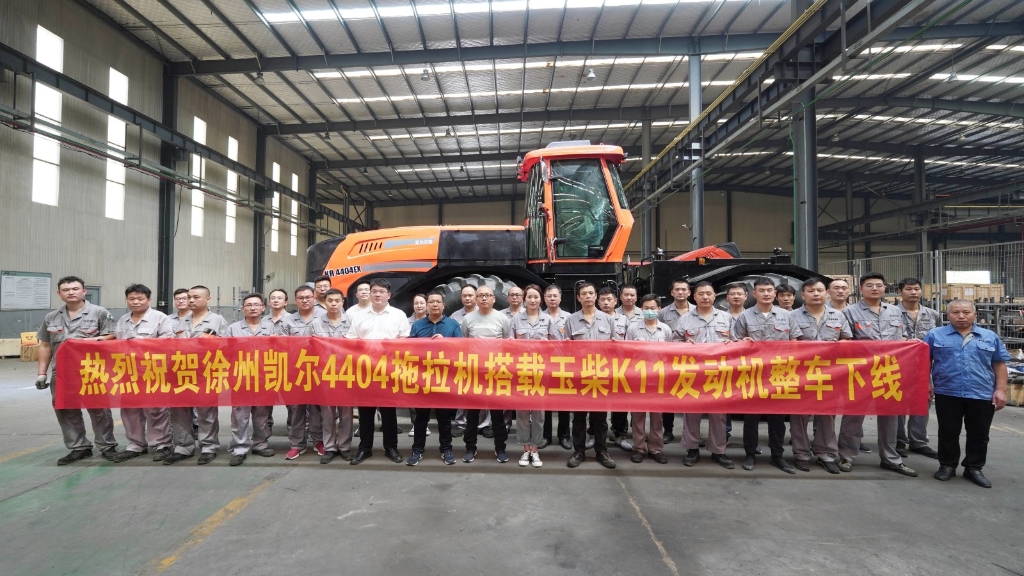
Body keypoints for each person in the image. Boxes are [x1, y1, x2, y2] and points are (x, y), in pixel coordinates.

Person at [925, 300, 1010, 488]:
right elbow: (924, 361)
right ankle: (947, 465)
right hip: (947, 391)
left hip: (981, 392)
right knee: (948, 431)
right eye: (956, 312)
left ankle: (974, 467)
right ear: (948, 315)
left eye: (966, 312)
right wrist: (926, 383)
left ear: (975, 314)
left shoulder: (989, 336)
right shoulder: (935, 335)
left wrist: (1000, 390)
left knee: (979, 433)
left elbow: (999, 363)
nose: (961, 316)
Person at [35, 276, 119, 465]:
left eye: (75, 289)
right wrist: (41, 373)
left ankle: (107, 446)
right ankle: (78, 447)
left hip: (93, 371)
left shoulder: (99, 313)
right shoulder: (51, 317)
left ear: (84, 291)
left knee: (99, 410)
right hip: (62, 373)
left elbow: (112, 337)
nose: (71, 292)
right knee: (65, 409)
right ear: (59, 293)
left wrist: (86, 341)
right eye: (66, 290)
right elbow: (45, 346)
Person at [841, 273, 917, 477]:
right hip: (861, 372)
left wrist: (912, 344)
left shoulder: (894, 311)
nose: (874, 288)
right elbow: (845, 341)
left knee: (890, 416)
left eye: (878, 285)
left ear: (885, 288)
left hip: (889, 370)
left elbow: (903, 336)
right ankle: (847, 455)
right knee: (854, 415)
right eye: (869, 285)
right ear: (860, 289)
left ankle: (891, 458)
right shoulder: (849, 312)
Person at [732, 277, 801, 474]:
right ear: (754, 294)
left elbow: (795, 342)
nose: (766, 294)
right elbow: (736, 343)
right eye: (761, 290)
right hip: (753, 374)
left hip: (780, 374)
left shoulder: (787, 316)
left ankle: (777, 455)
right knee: (751, 418)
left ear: (775, 293)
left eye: (769, 290)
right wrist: (742, 343)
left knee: (777, 418)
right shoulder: (744, 316)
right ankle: (750, 453)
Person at [790, 278, 852, 474]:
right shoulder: (792, 316)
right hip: (801, 373)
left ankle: (826, 454)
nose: (815, 294)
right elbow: (788, 343)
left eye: (819, 290)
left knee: (827, 415)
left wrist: (834, 349)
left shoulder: (838, 316)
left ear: (826, 293)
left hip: (830, 373)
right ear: (803, 295)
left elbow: (847, 340)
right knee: (799, 416)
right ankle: (801, 454)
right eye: (811, 291)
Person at [555, 283, 619, 469]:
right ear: (579, 298)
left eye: (591, 293)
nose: (588, 296)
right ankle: (579, 451)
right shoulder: (571, 320)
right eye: (584, 294)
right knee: (579, 417)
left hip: (601, 376)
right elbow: (566, 349)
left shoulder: (608, 320)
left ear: (596, 296)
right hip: (580, 376)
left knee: (600, 418)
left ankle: (601, 451)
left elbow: (615, 348)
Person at [347, 278, 410, 465]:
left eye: (381, 292)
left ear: (388, 295)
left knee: (389, 412)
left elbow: (405, 340)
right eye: (374, 291)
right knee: (365, 412)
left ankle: (391, 447)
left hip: (388, 371)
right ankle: (364, 448)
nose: (377, 294)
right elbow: (351, 340)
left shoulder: (398, 315)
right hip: (365, 371)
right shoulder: (359, 316)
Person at [672, 281, 735, 469]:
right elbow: (674, 343)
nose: (705, 297)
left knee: (719, 415)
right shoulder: (685, 319)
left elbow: (736, 341)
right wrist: (684, 345)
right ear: (694, 296)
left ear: (715, 296)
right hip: (693, 374)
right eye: (701, 294)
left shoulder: (726, 318)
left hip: (719, 373)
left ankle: (719, 451)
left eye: (709, 293)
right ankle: (692, 449)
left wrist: (735, 343)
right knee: (692, 414)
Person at [165, 285, 229, 465]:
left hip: (205, 374)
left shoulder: (217, 321)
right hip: (181, 372)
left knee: (206, 413)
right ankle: (183, 447)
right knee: (179, 412)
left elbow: (226, 347)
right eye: (189, 297)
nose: (191, 300)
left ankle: (208, 447)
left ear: (208, 299)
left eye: (196, 297)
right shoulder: (181, 322)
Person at [112, 283, 176, 463]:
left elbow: (168, 342)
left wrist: (142, 341)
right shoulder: (123, 320)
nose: (135, 302)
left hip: (152, 370)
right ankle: (136, 444)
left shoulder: (160, 318)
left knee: (155, 409)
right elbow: (117, 343)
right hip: (128, 371)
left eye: (140, 299)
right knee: (130, 410)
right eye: (131, 299)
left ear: (149, 299)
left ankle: (162, 444)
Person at [407, 290, 462, 466]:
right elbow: (410, 351)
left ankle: (446, 449)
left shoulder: (453, 324)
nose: (435, 305)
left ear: (443, 305)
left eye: (438, 302)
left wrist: (445, 342)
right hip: (422, 378)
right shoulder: (417, 325)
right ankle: (417, 450)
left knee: (444, 418)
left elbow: (462, 348)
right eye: (431, 302)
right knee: (421, 418)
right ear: (427, 305)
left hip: (444, 378)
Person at [460, 285, 514, 463]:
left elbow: (506, 343)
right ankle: (470, 447)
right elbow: (464, 344)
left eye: (488, 295)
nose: (484, 298)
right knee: (472, 414)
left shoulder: (502, 318)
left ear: (494, 299)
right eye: (481, 295)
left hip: (496, 373)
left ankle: (500, 448)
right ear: (476, 298)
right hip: (475, 373)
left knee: (497, 415)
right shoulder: (468, 319)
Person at [224, 293, 277, 466]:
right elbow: (224, 352)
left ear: (263, 308)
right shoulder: (233, 329)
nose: (253, 308)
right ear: (243, 309)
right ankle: (239, 448)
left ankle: (260, 444)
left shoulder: (271, 328)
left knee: (262, 414)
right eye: (249, 305)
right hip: (241, 378)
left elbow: (280, 351)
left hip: (264, 377)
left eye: (256, 304)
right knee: (240, 415)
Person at [896, 278, 941, 459]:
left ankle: (918, 441)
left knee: (922, 402)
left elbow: (938, 337)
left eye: (916, 289)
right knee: (897, 403)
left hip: (924, 366)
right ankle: (898, 441)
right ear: (900, 292)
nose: (913, 292)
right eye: (909, 289)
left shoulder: (933, 314)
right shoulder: (891, 313)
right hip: (898, 365)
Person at [510, 284, 554, 468]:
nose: (533, 300)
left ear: (540, 299)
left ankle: (535, 449)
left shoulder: (548, 320)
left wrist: (549, 343)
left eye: (536, 297)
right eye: (529, 297)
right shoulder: (515, 320)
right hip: (521, 373)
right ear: (524, 299)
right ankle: (525, 448)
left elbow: (558, 346)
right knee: (521, 413)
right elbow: (509, 347)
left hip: (540, 373)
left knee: (538, 414)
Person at [309, 289, 354, 464]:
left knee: (346, 413)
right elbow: (310, 349)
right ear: (324, 302)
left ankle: (344, 446)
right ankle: (329, 447)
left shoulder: (351, 322)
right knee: (327, 413)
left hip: (346, 373)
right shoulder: (316, 324)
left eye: (337, 300)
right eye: (330, 301)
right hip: (325, 374)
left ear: (342, 302)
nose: (334, 304)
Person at [626, 294, 672, 464]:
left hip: (658, 379)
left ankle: (656, 448)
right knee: (637, 416)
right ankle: (639, 448)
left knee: (657, 416)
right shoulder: (633, 329)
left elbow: (671, 354)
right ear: (641, 309)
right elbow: (627, 353)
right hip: (638, 378)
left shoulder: (665, 329)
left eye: (653, 308)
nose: (650, 311)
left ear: (659, 309)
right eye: (646, 308)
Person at [828, 277, 872, 455]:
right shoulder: (821, 311)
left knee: (854, 406)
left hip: (855, 367)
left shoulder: (858, 312)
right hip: (828, 367)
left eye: (844, 288)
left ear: (850, 291)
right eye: (836, 288)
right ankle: (824, 439)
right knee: (826, 406)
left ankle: (853, 440)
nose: (840, 291)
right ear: (828, 291)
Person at [282, 285, 326, 461]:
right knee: (297, 409)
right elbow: (282, 346)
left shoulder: (324, 317)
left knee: (317, 409)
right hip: (296, 371)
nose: (305, 300)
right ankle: (297, 444)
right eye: (301, 298)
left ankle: (318, 440)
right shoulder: (288, 321)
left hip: (318, 371)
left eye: (308, 297)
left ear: (314, 298)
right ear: (296, 300)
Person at [598, 287, 633, 452]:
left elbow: (630, 344)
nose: (606, 303)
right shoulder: (594, 319)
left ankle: (619, 435)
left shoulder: (625, 321)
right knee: (597, 404)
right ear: (598, 301)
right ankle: (594, 434)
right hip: (598, 367)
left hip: (620, 368)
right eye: (602, 299)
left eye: (609, 299)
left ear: (615, 301)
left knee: (620, 403)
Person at [657, 278, 691, 444]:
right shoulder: (663, 313)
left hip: (692, 364)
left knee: (691, 399)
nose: (680, 292)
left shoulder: (696, 311)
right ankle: (668, 430)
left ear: (689, 292)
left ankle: (690, 434)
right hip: (669, 363)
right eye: (677, 289)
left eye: (684, 289)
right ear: (672, 292)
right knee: (668, 398)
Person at [542, 284, 573, 449]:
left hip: (564, 365)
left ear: (560, 298)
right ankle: (546, 436)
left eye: (555, 296)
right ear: (544, 299)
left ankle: (564, 436)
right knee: (545, 402)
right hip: (545, 365)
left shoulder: (569, 317)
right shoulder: (539, 317)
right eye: (549, 296)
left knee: (564, 402)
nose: (552, 299)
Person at [450, 284, 479, 436]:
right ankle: (461, 424)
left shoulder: (484, 313)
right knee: (462, 392)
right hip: (461, 360)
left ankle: (483, 425)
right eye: (464, 296)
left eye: (470, 295)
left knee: (482, 392)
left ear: (476, 297)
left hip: (481, 360)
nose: (467, 298)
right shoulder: (455, 316)